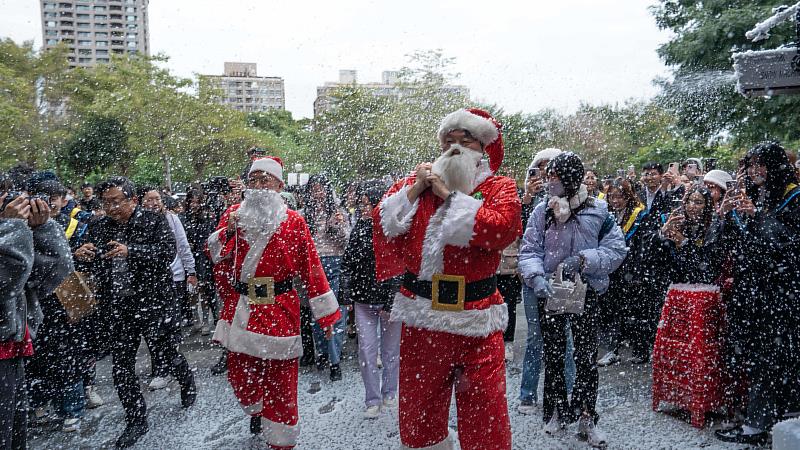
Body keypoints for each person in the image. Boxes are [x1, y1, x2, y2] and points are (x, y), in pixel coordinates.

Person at [373, 108, 521, 450]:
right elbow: (384, 224)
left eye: (464, 141)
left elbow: (500, 230)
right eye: (448, 142)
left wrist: (448, 197)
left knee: (486, 411)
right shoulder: (416, 183)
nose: (455, 149)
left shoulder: (500, 187)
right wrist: (416, 190)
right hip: (423, 317)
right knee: (419, 409)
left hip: (478, 318)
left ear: (483, 148)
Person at [207, 156, 341, 449]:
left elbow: (311, 268)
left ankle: (281, 440)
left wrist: (327, 317)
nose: (258, 186)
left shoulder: (294, 221)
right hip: (243, 306)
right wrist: (228, 230)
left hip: (280, 307)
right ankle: (257, 407)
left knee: (281, 382)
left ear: (280, 185)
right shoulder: (234, 214)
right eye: (252, 180)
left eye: (264, 180)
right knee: (241, 375)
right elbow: (215, 254)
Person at [73, 176, 196, 448]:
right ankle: (136, 420)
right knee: (122, 367)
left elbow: (166, 254)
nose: (111, 208)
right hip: (118, 307)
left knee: (166, 353)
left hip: (153, 303)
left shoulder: (154, 220)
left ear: (133, 200)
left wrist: (132, 251)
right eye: (105, 203)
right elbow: (91, 260)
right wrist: (80, 252)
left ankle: (186, 380)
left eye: (116, 202)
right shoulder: (99, 225)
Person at [518, 152, 626, 448]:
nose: (548, 182)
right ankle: (555, 410)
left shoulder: (598, 210)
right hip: (550, 292)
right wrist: (537, 276)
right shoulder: (542, 210)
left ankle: (587, 415)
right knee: (552, 355)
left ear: (569, 179)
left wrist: (584, 260)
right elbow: (529, 250)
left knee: (586, 356)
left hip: (586, 292)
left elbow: (617, 250)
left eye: (553, 176)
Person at [715, 142, 800, 444]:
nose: (754, 171)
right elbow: (731, 246)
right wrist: (725, 217)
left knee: (774, 359)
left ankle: (761, 424)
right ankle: (767, 421)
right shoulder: (756, 196)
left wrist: (758, 216)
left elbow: (788, 246)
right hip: (753, 293)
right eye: (750, 165)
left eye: (761, 164)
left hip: (782, 296)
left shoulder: (794, 197)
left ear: (776, 165)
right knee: (760, 359)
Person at [0, 187, 72, 449]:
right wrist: (11, 227)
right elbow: (5, 282)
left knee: (15, 437)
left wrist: (43, 229)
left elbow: (56, 274)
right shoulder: (7, 229)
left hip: (12, 350)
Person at [24, 175, 91, 433]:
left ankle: (72, 408)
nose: (48, 206)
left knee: (67, 354)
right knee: (38, 357)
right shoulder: (20, 224)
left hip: (64, 296)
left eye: (53, 200)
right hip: (34, 303)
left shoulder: (70, 222)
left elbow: (64, 265)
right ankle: (41, 404)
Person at [338, 181, 402, 419]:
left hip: (390, 301)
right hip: (363, 300)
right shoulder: (360, 229)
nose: (364, 209)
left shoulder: (392, 229)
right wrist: (345, 294)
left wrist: (391, 300)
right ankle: (372, 398)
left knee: (391, 351)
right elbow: (348, 264)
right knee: (366, 352)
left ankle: (390, 392)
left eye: (368, 204)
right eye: (362, 204)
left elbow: (399, 268)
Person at [138, 187, 197, 391]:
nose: (153, 202)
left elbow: (182, 245)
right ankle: (161, 368)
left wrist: (191, 271)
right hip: (150, 282)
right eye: (149, 199)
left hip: (175, 277)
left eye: (156, 198)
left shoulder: (172, 219)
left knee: (170, 325)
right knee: (154, 329)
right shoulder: (137, 222)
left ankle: (172, 365)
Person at [301, 174, 351, 381]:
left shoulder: (338, 213)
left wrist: (336, 226)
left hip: (334, 263)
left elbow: (347, 240)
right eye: (315, 189)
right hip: (313, 266)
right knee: (317, 312)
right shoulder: (304, 215)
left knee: (335, 313)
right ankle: (322, 352)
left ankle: (335, 359)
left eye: (321, 189)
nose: (318, 193)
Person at [596, 178, 648, 367]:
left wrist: (637, 272)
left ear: (628, 196)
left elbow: (642, 246)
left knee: (634, 312)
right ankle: (612, 350)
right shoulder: (608, 214)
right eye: (612, 197)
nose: (615, 201)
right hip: (612, 270)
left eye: (619, 197)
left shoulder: (640, 215)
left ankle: (640, 349)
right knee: (611, 311)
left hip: (631, 271)